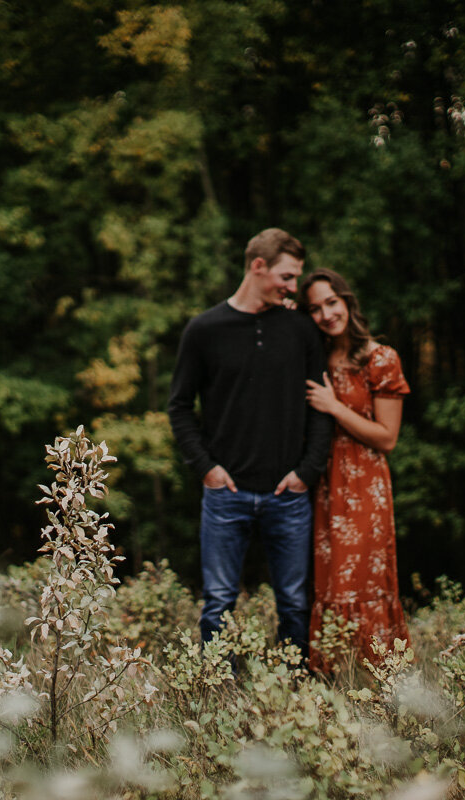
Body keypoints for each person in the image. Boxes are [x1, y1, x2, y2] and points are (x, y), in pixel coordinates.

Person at [167, 228, 333, 658]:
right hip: (227, 493)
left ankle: (294, 693)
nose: (293, 287)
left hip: (289, 493)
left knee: (295, 604)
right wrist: (207, 469)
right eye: (287, 276)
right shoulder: (204, 330)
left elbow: (321, 406)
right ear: (258, 266)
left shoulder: (300, 329)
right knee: (219, 601)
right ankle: (216, 693)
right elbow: (180, 406)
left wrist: (306, 472)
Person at [299, 268, 411, 671]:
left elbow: (387, 437)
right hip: (326, 485)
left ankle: (379, 679)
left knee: (362, 581)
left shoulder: (380, 358)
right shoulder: (317, 360)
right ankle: (334, 681)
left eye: (332, 302)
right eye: (315, 308)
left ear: (347, 301)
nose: (326, 313)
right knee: (330, 581)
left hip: (365, 484)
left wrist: (333, 406)